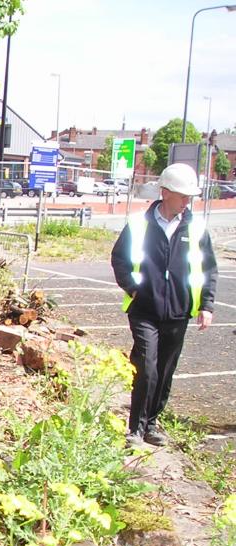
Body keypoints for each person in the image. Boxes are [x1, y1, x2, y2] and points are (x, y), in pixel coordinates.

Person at [111, 162, 217, 448]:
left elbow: (208, 268)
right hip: (144, 309)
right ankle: (135, 428)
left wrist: (206, 305)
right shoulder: (139, 224)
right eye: (183, 195)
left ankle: (152, 424)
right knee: (147, 366)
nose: (187, 202)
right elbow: (120, 258)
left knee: (166, 370)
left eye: (190, 197)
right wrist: (133, 288)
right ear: (165, 192)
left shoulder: (195, 227)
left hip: (179, 310)